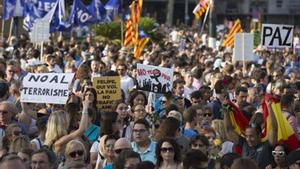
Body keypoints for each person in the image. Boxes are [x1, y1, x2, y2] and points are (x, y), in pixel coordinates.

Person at [224, 98, 278, 169]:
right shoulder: (244, 143)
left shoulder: (267, 145)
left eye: (251, 136)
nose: (248, 139)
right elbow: (228, 130)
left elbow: (274, 128)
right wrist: (226, 110)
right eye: (246, 136)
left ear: (259, 135)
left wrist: (269, 108)